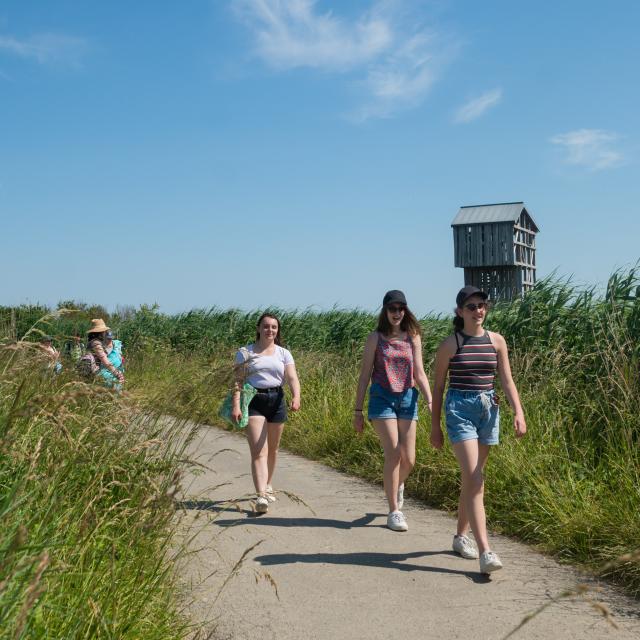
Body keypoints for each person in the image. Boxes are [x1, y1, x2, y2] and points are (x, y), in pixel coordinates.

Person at [430, 286, 526, 574]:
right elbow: (437, 388)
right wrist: (434, 427)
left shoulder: (497, 341)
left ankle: (461, 536)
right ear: (460, 312)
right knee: (476, 479)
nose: (478, 311)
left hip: (488, 409)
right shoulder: (450, 345)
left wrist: (518, 412)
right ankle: (486, 551)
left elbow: (507, 381)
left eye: (482, 305)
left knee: (472, 481)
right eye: (471, 306)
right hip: (459, 410)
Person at [353, 290, 433, 532]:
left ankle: (396, 485)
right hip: (382, 397)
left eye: (400, 308)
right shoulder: (375, 338)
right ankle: (394, 511)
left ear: (405, 310)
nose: (396, 313)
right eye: (392, 308)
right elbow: (365, 374)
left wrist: (430, 400)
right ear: (385, 311)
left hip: (408, 398)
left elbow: (419, 372)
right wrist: (357, 410)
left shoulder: (413, 337)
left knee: (409, 459)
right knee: (394, 453)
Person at [232, 313, 301, 514]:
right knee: (258, 451)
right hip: (254, 399)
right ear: (258, 328)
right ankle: (261, 495)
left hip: (277, 399)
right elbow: (237, 381)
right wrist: (237, 405)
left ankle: (268, 483)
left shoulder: (283, 353)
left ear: (277, 330)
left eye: (274, 327)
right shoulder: (245, 353)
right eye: (266, 326)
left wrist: (296, 397)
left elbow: (292, 377)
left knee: (273, 448)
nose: (269, 330)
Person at [87, 319, 124, 388]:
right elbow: (105, 361)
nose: (105, 333)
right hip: (95, 372)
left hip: (96, 371)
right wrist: (117, 373)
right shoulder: (96, 343)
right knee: (115, 383)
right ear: (101, 332)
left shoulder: (95, 342)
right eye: (104, 331)